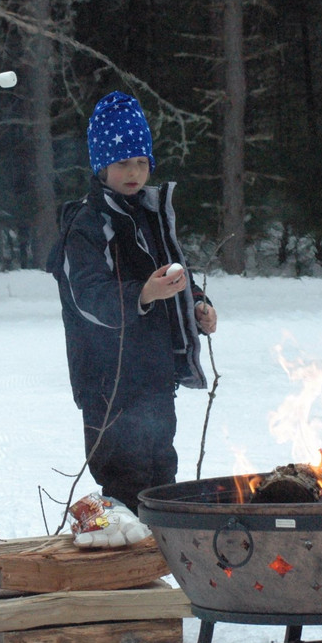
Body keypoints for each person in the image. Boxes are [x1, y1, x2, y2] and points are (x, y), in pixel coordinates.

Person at [47, 91, 217, 511]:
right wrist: (143, 293)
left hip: (155, 372)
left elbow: (175, 271)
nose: (134, 172)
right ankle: (122, 561)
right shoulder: (86, 223)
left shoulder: (151, 212)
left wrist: (196, 305)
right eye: (123, 163)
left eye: (141, 162)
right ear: (102, 165)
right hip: (107, 379)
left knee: (162, 474)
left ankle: (161, 557)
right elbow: (87, 297)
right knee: (124, 477)